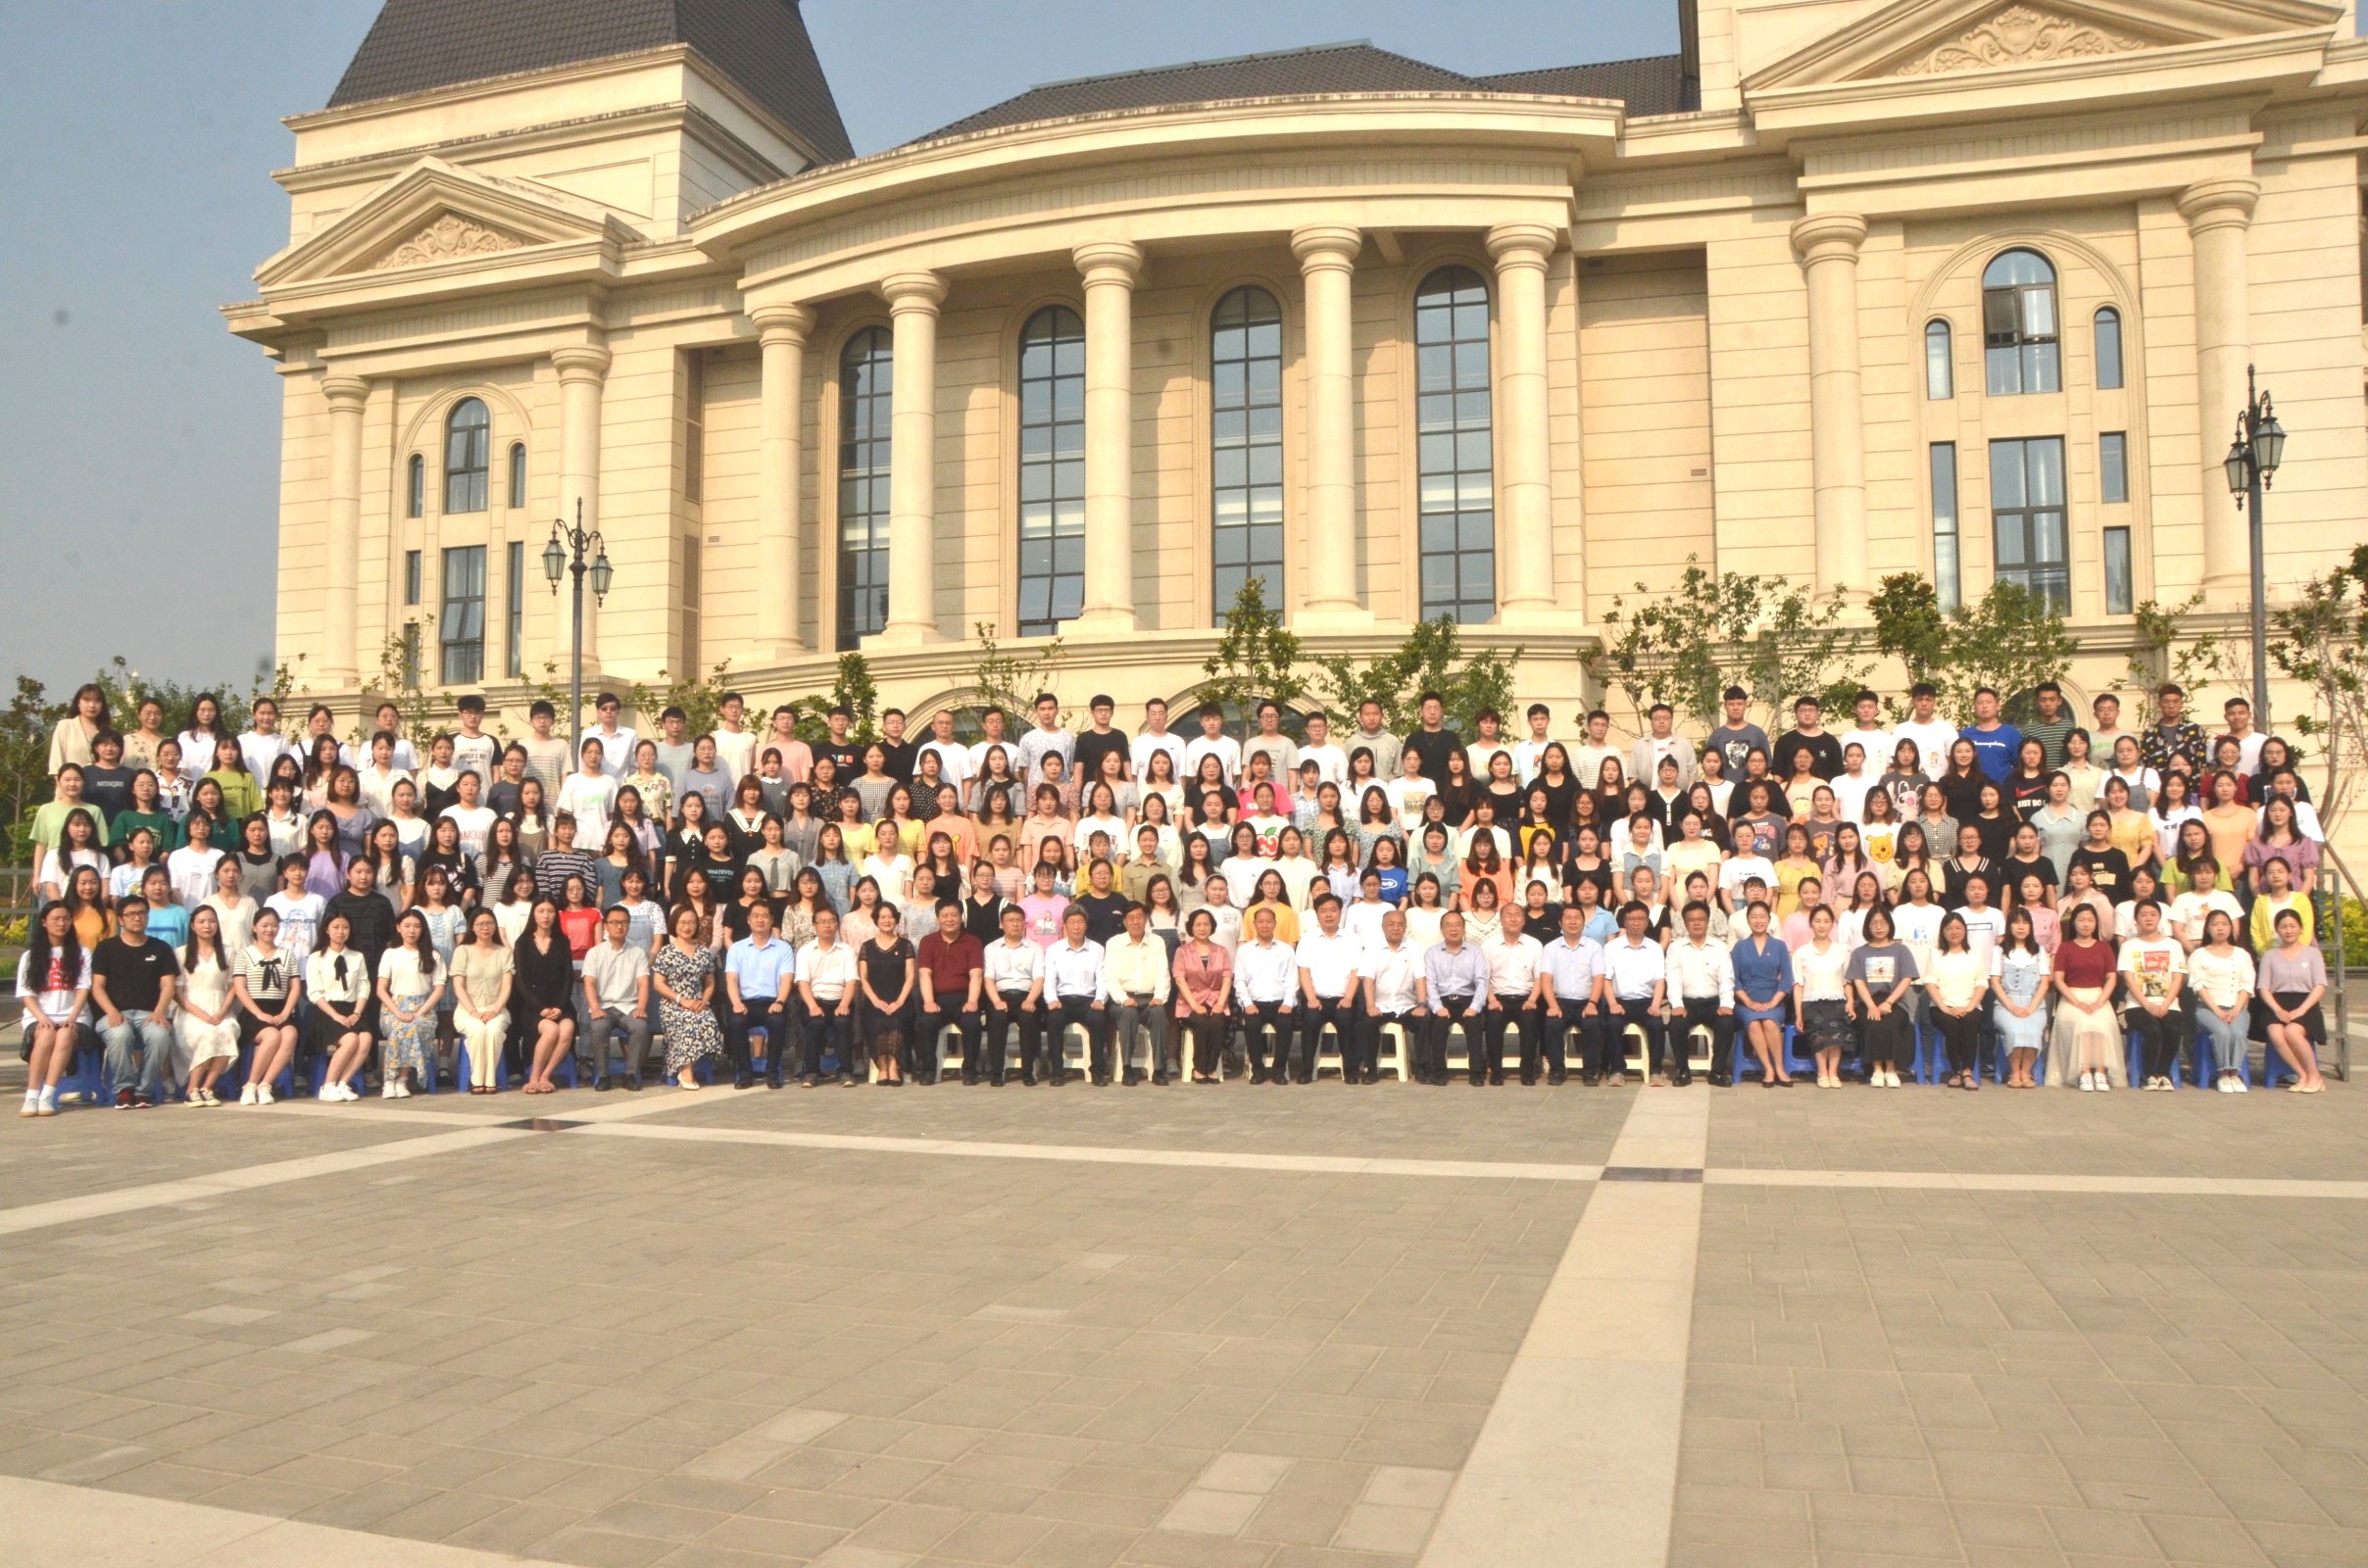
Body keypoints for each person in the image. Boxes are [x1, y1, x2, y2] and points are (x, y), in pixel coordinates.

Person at [90, 896, 180, 1108]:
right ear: (120, 919)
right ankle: (124, 1089)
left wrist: (159, 1012)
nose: (137, 918)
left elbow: (169, 985)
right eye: (131, 914)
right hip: (114, 1014)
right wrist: (112, 1011)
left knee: (160, 1036)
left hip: (148, 1014)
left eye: (141, 913)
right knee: (120, 1034)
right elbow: (97, 986)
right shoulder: (106, 948)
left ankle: (144, 1091)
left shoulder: (160, 948)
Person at [17, 903, 92, 1118]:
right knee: (46, 1034)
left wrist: (72, 1017)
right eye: (56, 919)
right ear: (44, 922)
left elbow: (83, 988)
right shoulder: (30, 956)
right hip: (39, 1016)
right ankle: (32, 1095)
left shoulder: (83, 952)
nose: (61, 923)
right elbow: (26, 994)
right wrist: (42, 1018)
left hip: (75, 1016)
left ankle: (48, 1095)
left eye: (66, 919)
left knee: (65, 1034)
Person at [723, 898, 797, 1090]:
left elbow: (787, 979)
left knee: (778, 1022)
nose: (760, 920)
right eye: (755, 916)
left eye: (765, 916)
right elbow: (731, 980)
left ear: (772, 920)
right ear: (748, 920)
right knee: (736, 1023)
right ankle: (744, 1074)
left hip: (772, 1001)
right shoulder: (737, 948)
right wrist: (736, 1002)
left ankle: (772, 1073)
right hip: (744, 1002)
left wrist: (780, 1002)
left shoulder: (783, 948)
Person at [2255, 908, 2328, 1093]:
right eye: (2283, 927)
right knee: (2275, 1033)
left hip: (2305, 1003)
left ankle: (2315, 1076)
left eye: (2292, 926)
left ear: (2301, 928)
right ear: (2277, 930)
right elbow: (2263, 987)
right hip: (2277, 1003)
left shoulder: (2312, 954)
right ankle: (2302, 1074)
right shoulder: (2270, 955)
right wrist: (2277, 1009)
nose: (2288, 930)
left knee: (2292, 1032)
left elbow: (2320, 985)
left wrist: (2302, 1009)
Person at [581, 906, 654, 1090]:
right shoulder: (595, 953)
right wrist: (595, 1008)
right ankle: (603, 1075)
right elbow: (589, 983)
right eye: (614, 922)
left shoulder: (637, 953)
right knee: (598, 1028)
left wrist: (641, 1008)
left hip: (629, 1006)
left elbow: (643, 983)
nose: (619, 926)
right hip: (604, 1006)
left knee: (640, 1026)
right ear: (606, 925)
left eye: (624, 922)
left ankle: (630, 1074)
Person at [1664, 901, 1735, 1087]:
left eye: (1701, 919)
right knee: (1676, 1025)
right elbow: (1673, 978)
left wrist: (1726, 1003)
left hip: (1713, 1002)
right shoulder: (1676, 947)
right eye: (1692, 920)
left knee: (1727, 1023)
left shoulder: (1720, 947)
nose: (1696, 923)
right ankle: (1682, 1071)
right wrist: (1677, 1004)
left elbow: (1726, 978)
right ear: (1685, 923)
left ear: (1708, 921)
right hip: (1687, 1003)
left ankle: (1717, 1071)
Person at [2049, 903, 2119, 1092]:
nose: (2086, 924)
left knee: (2102, 1022)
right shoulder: (2065, 948)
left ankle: (2101, 1072)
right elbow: (2059, 979)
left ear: (2096, 923)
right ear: (2073, 923)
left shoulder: (2104, 947)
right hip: (2072, 997)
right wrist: (2077, 1002)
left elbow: (2111, 978)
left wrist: (2099, 1002)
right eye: (2081, 920)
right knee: (2083, 1022)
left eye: (2090, 920)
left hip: (2098, 996)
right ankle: (2084, 1071)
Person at [306, 912, 374, 1102]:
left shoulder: (357, 956)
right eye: (336, 927)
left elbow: (363, 987)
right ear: (327, 930)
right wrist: (335, 1015)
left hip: (351, 1010)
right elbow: (314, 992)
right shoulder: (316, 958)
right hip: (326, 1011)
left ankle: (343, 1083)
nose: (341, 931)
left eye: (345, 927)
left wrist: (356, 1013)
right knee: (351, 1039)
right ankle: (327, 1086)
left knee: (366, 1038)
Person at [374, 909, 443, 1099]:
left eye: (416, 926)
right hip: (394, 1007)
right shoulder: (390, 954)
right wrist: (398, 1012)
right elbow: (381, 989)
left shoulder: (432, 955)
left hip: (423, 1008)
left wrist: (419, 1012)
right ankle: (389, 1080)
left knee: (412, 1027)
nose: (412, 931)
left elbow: (439, 988)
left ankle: (401, 1080)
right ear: (398, 928)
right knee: (399, 1028)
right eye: (407, 926)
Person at [2119, 900, 2188, 1092]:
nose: (2148, 918)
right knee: (2153, 1030)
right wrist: (2147, 1005)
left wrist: (2165, 1004)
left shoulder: (2173, 945)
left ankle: (2164, 1074)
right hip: (2137, 1005)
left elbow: (2178, 978)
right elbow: (2129, 980)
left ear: (2159, 918)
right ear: (2136, 920)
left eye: (2152, 914)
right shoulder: (2129, 946)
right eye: (2143, 915)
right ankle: (2149, 1075)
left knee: (2173, 1029)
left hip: (2168, 1003)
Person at [1103, 903, 1172, 1085]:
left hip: (1149, 999)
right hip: (1122, 1000)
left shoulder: (1157, 942)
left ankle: (1159, 1069)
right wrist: (1123, 999)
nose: (1136, 922)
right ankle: (1127, 1068)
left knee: (1159, 1014)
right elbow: (1110, 977)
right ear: (1125, 922)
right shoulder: (1114, 943)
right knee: (1128, 1014)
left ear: (1146, 919)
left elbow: (1163, 973)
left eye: (1139, 917)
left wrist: (1159, 997)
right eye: (1131, 918)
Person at [2187, 909, 2255, 1093]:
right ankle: (2223, 1073)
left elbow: (2246, 985)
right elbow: (2198, 986)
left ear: (2231, 928)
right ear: (2207, 929)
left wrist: (2236, 1010)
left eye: (2224, 924)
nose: (2220, 928)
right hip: (2208, 1009)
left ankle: (2235, 1073)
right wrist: (2217, 1011)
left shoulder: (2242, 954)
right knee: (2222, 1032)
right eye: (2215, 924)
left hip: (2237, 1007)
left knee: (2238, 1033)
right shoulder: (2199, 954)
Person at [916, 902, 985, 1085]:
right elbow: (924, 974)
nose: (949, 919)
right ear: (937, 919)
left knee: (972, 1022)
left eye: (954, 915)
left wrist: (972, 1001)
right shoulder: (928, 942)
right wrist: (929, 1001)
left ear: (961, 918)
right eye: (945, 916)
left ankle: (969, 1071)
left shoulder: (972, 942)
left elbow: (976, 975)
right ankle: (928, 1071)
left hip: (964, 998)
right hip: (937, 999)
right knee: (927, 1022)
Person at [1792, 904, 1854, 1088]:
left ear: (1832, 924)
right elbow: (1798, 985)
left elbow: (1847, 982)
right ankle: (1822, 1072)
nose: (1822, 925)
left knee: (1836, 1028)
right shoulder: (1801, 953)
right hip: (1811, 1003)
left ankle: (1833, 1072)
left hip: (1837, 1000)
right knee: (1822, 1027)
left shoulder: (1842, 951)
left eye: (1826, 921)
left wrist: (1850, 1001)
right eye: (1817, 921)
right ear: (1811, 924)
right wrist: (1798, 1013)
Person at [1990, 906, 2049, 1090]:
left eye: (2025, 923)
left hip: (2033, 1002)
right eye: (2016, 923)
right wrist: (2012, 1007)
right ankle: (2014, 1072)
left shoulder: (2039, 951)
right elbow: (1995, 982)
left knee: (2033, 1030)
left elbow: (2044, 982)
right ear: (2009, 926)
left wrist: (2031, 1007)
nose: (2021, 927)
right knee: (2014, 1030)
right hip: (2006, 1003)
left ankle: (2026, 1072)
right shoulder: (1999, 951)